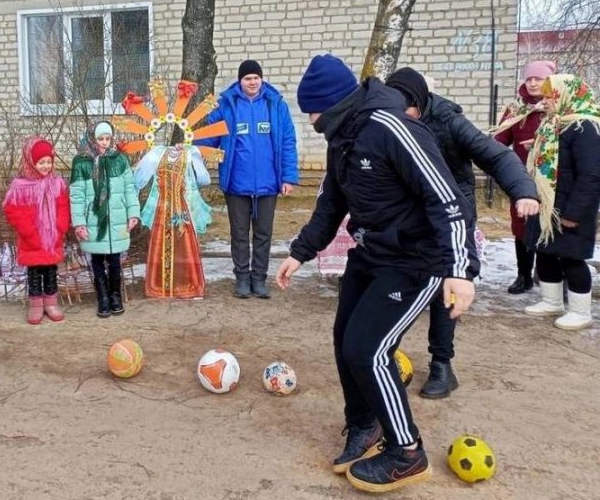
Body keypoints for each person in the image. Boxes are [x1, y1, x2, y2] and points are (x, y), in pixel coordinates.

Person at [278, 54, 476, 493]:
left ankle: (406, 453)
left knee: (369, 349)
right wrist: (301, 251)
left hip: (415, 260)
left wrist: (460, 271)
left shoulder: (391, 129)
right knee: (345, 339)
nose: (310, 119)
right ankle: (364, 425)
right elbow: (332, 201)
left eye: (311, 109)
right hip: (371, 254)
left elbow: (448, 200)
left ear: (332, 105)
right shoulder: (343, 138)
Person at [385, 68, 540, 399]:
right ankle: (386, 356)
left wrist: (523, 190)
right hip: (411, 219)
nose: (399, 115)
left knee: (448, 288)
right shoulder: (391, 121)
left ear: (421, 102)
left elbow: (498, 156)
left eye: (405, 108)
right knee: (397, 284)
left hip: (452, 218)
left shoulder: (449, 120)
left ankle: (442, 364)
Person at [194, 60, 299, 299]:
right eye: (247, 78)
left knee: (263, 233)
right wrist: (190, 149)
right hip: (236, 183)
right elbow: (209, 137)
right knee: (239, 233)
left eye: (255, 78)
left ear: (261, 79)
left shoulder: (275, 105)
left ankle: (259, 278)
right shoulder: (227, 105)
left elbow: (288, 142)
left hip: (269, 183)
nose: (252, 82)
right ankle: (242, 278)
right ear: (240, 81)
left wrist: (288, 177)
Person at [517, 74, 600, 330]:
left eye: (550, 95)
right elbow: (557, 159)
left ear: (567, 95)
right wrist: (537, 148)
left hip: (571, 206)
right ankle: (551, 301)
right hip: (548, 203)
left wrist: (574, 213)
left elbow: (591, 174)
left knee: (572, 258)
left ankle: (580, 311)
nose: (546, 100)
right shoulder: (555, 124)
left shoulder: (585, 127)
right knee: (545, 252)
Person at [495, 60, 557, 294]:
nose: (532, 83)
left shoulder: (558, 107)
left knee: (549, 224)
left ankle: (549, 274)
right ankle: (523, 275)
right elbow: (500, 140)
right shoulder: (517, 109)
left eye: (538, 79)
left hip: (552, 178)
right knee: (521, 224)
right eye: (529, 79)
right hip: (522, 177)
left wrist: (542, 144)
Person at [70, 121, 140, 317]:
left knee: (115, 261)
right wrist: (79, 223)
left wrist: (133, 213)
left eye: (108, 138)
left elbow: (129, 188)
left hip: (117, 219)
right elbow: (76, 195)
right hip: (93, 220)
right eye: (100, 139)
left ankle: (115, 295)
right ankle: (103, 297)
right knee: (97, 261)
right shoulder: (81, 162)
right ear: (92, 139)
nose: (104, 142)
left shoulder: (119, 160)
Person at [2, 137, 70, 324]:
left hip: (53, 238)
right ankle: (36, 306)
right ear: (31, 161)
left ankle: (51, 303)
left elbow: (63, 205)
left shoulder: (57, 183)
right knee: (34, 273)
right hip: (31, 238)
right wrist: (28, 231)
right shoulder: (20, 186)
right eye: (41, 162)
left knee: (50, 271)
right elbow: (12, 209)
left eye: (49, 162)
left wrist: (61, 225)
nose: (46, 166)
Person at [134, 143, 212, 299]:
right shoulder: (156, 155)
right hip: (162, 209)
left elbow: (204, 179)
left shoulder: (189, 154)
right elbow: (138, 178)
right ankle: (160, 286)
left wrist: (194, 156)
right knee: (161, 245)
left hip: (180, 209)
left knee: (184, 245)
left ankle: (187, 285)